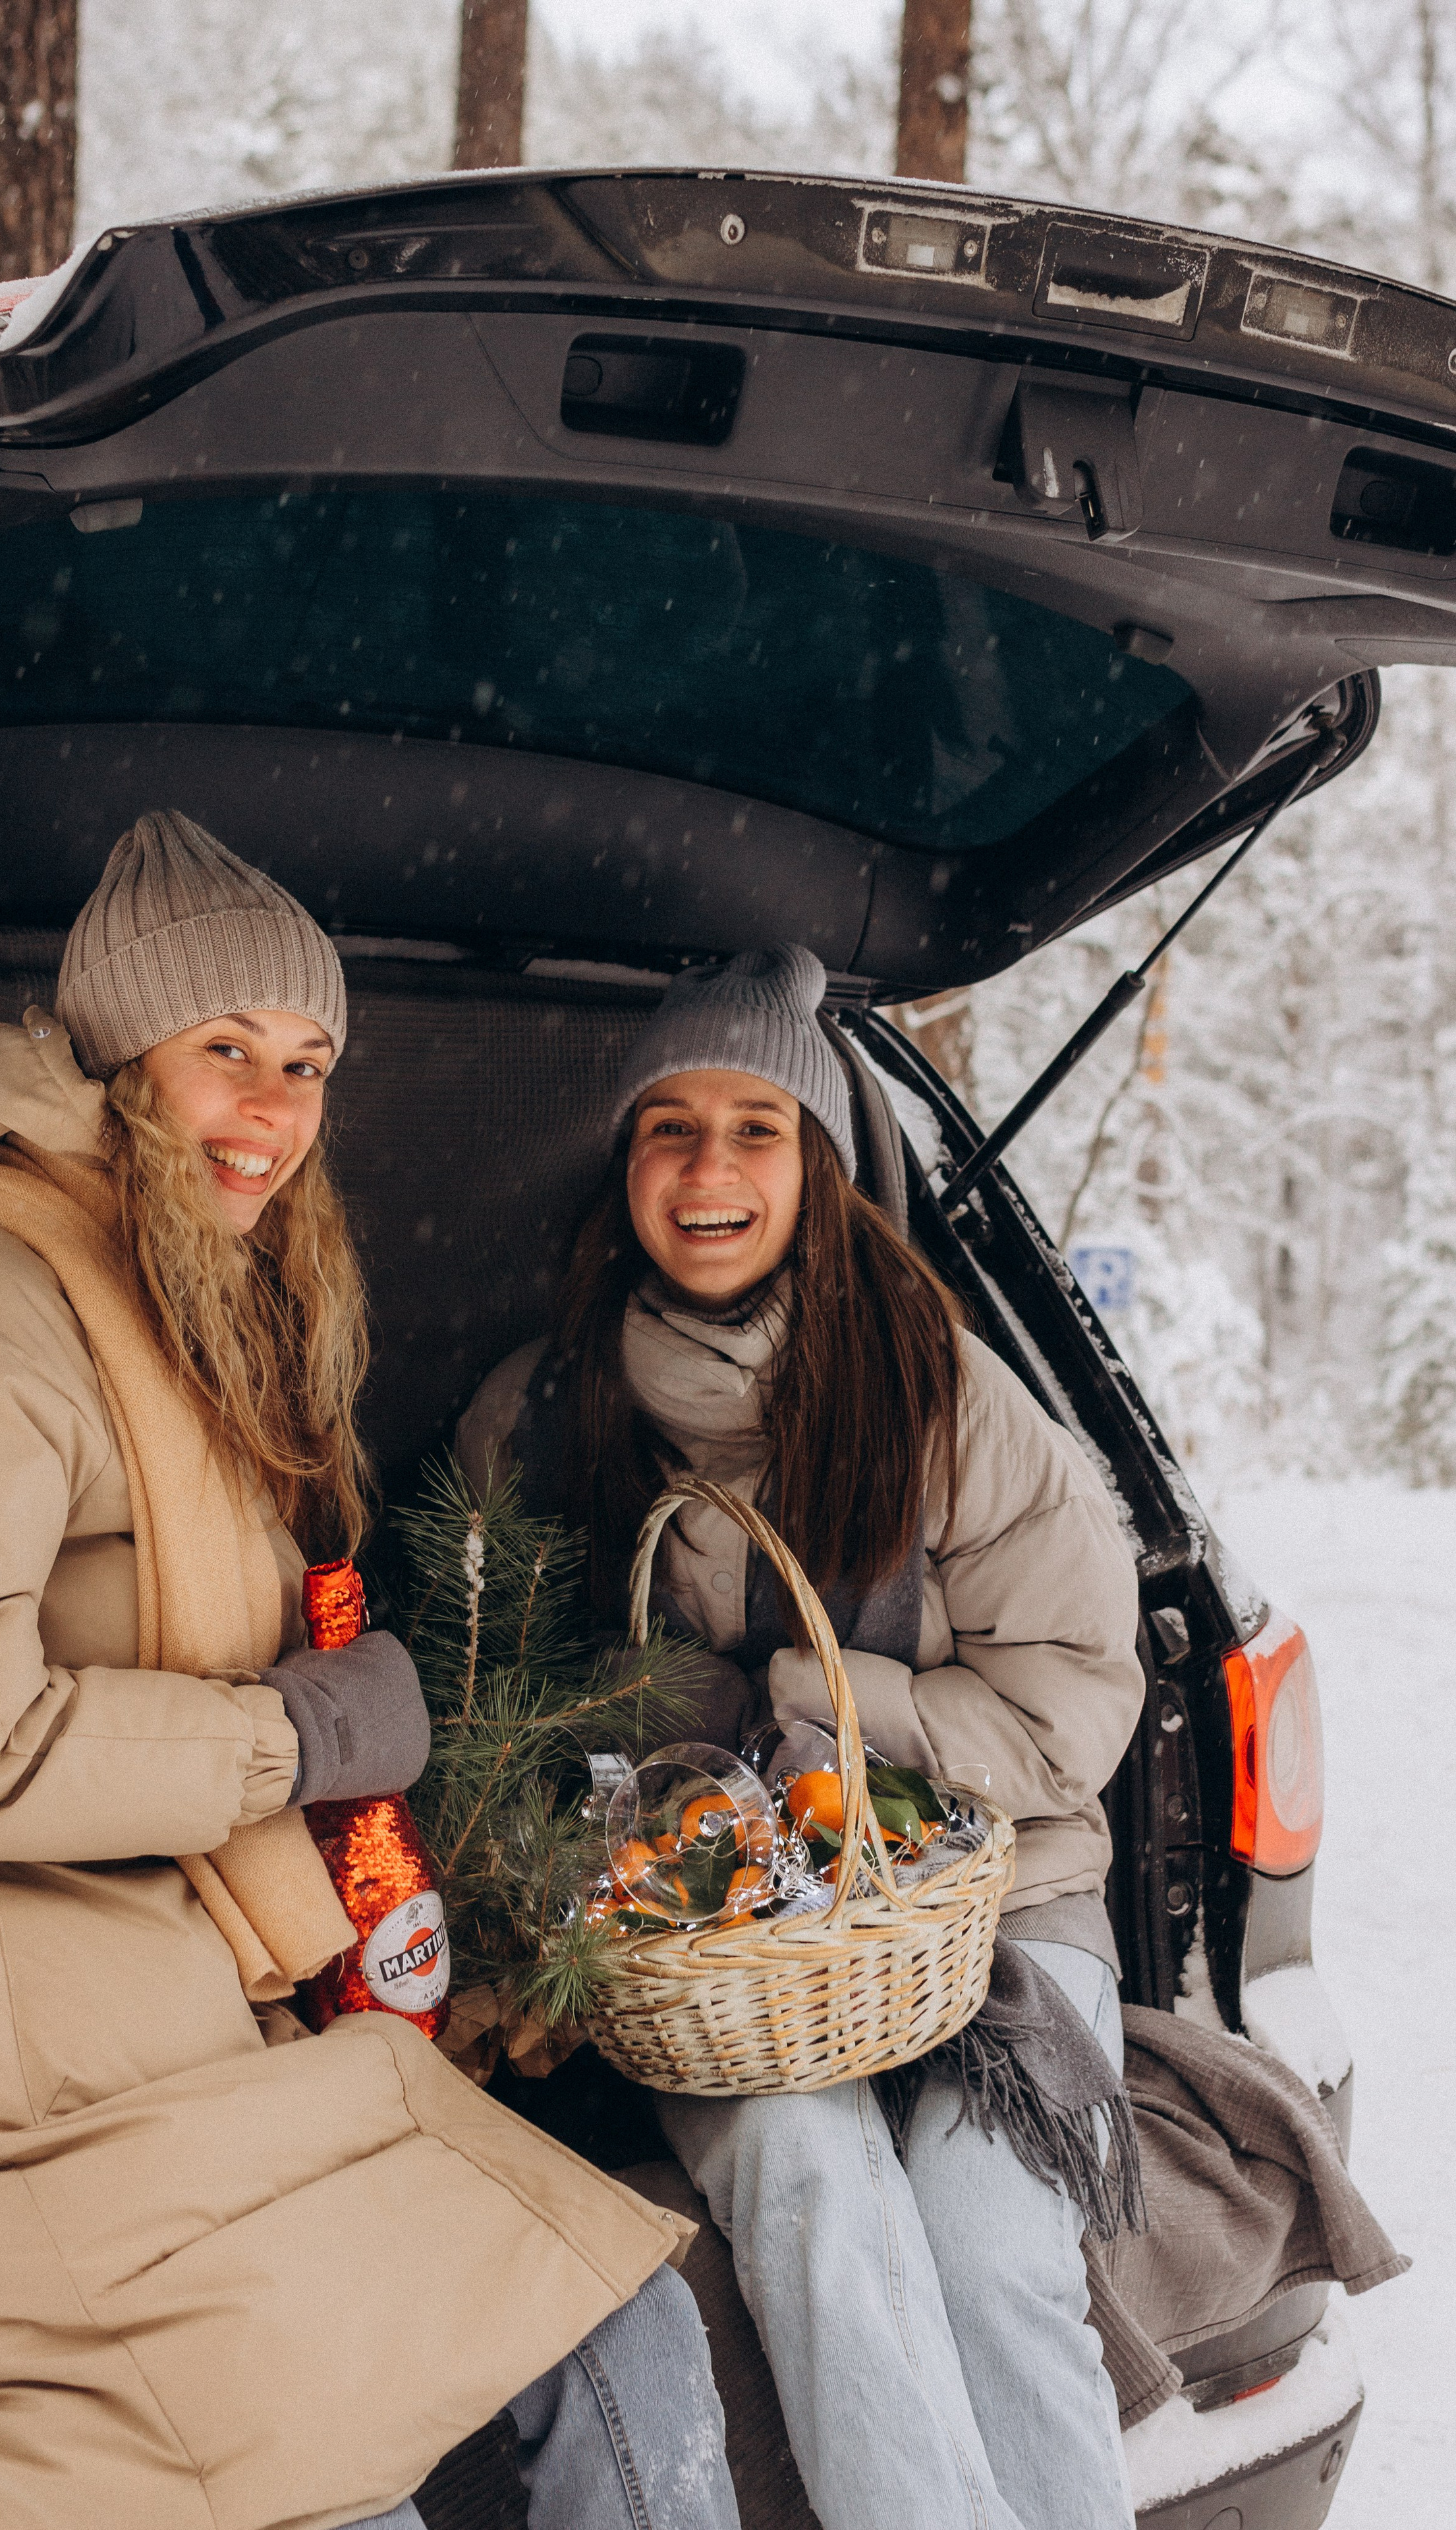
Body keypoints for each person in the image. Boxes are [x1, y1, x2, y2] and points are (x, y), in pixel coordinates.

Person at [0, 810, 739, 2530]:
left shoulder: (161, 1317)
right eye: (228, 1051)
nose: (275, 1112)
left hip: (149, 2044)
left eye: (305, 1063)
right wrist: (285, 1743)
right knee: (478, 2401)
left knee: (625, 2333)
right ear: (117, 1057)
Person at [457, 945, 1147, 2530]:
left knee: (984, 2245)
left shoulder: (941, 1398)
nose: (709, 1171)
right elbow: (485, 1718)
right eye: (667, 1127)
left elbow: (1069, 1710)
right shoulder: (541, 1416)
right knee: (810, 2188)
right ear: (621, 1162)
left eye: (755, 1127)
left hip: (983, 1905)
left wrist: (813, 1707)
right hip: (711, 1953)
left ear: (817, 1162)